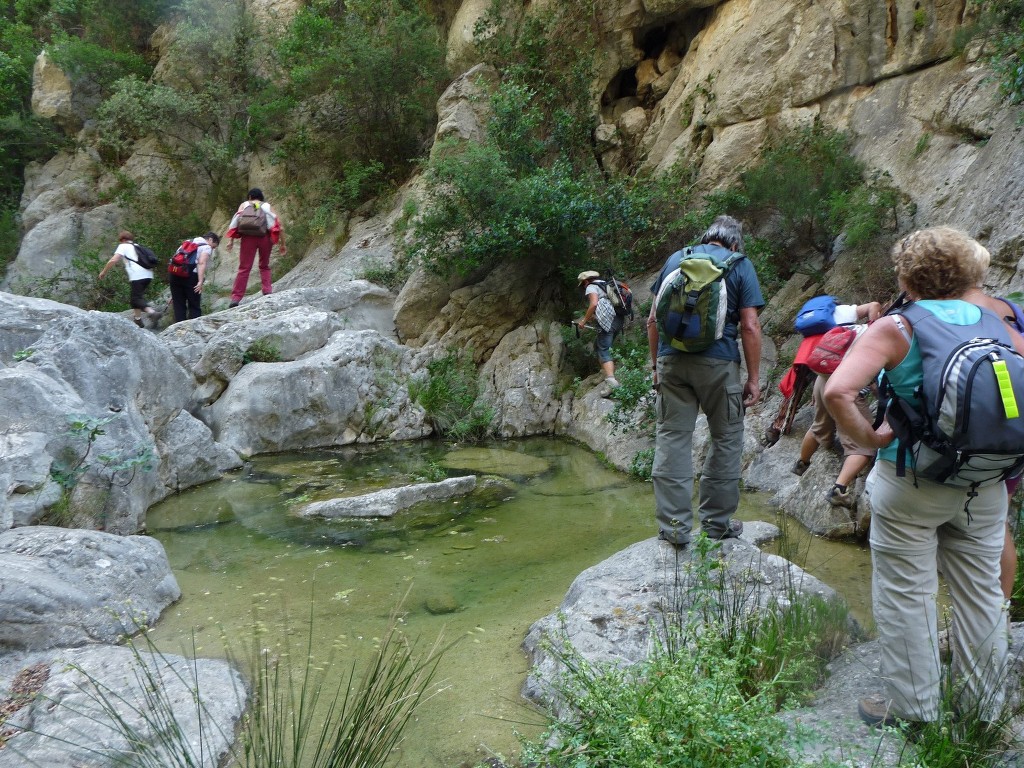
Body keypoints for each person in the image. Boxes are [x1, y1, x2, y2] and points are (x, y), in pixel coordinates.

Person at [824, 227, 1017, 728]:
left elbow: (838, 393)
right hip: (985, 487)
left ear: (908, 275)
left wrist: (869, 440)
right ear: (971, 271)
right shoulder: (1000, 322)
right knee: (983, 597)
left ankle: (916, 713)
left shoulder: (897, 327)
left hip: (910, 484)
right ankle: (985, 712)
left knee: (907, 595)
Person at [646, 215, 764, 546]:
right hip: (719, 363)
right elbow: (750, 326)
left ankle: (674, 529)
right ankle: (716, 524)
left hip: (672, 362)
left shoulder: (676, 258)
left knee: (672, 438)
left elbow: (653, 319)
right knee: (726, 439)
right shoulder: (740, 265)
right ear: (735, 243)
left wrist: (656, 366)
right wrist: (753, 378)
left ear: (705, 238)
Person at [791, 300, 882, 509]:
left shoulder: (855, 327)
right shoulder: (880, 338)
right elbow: (876, 383)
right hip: (844, 388)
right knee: (863, 443)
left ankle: (801, 464)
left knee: (819, 426)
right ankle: (839, 489)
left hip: (823, 380)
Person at [225, 188, 286, 308]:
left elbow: (235, 222)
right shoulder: (267, 206)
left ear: (249, 197)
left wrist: (230, 241)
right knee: (264, 265)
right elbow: (279, 226)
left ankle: (236, 298)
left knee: (244, 268)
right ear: (261, 197)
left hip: (248, 238)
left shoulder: (245, 205)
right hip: (265, 237)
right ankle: (267, 291)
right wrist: (282, 244)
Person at [98, 231, 161, 328]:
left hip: (137, 276)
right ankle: (138, 320)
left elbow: (114, 260)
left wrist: (103, 272)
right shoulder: (137, 246)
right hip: (148, 275)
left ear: (122, 240)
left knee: (136, 298)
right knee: (136, 297)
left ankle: (152, 313)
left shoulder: (123, 246)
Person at [576, 271, 624, 389]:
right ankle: (604, 373)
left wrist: (583, 321)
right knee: (598, 345)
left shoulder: (591, 286)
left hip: (608, 322)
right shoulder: (605, 284)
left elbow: (594, 304)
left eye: (583, 284)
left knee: (604, 349)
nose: (584, 287)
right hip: (618, 319)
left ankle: (611, 381)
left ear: (586, 281)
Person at [168, 232, 219, 323]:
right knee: (194, 304)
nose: (212, 249)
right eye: (213, 246)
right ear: (210, 239)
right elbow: (201, 263)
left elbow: (176, 258)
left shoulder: (188, 242)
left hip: (175, 274)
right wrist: (200, 281)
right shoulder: (206, 247)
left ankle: (180, 329)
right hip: (191, 276)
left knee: (178, 304)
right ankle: (194, 328)